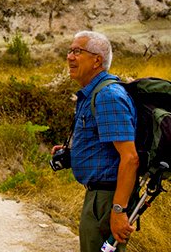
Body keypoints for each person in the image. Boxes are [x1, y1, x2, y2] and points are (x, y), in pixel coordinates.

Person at [51, 31, 138, 252]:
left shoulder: (108, 96)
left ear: (97, 60)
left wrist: (118, 211)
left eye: (77, 51)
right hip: (99, 197)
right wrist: (75, 152)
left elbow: (130, 158)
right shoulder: (93, 94)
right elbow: (105, 145)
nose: (70, 57)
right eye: (69, 51)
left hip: (107, 199)